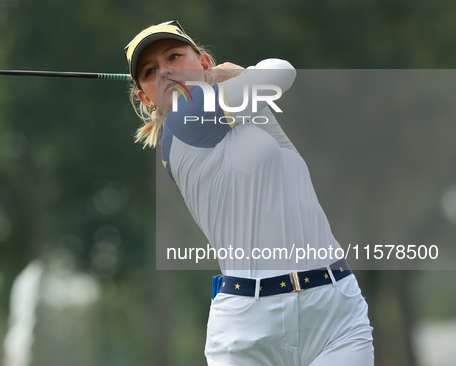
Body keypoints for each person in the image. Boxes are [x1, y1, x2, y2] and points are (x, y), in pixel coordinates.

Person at [124, 20, 374, 366]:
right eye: (151, 72)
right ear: (146, 97)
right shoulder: (183, 120)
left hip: (335, 314)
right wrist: (234, 75)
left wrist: (229, 80)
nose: (165, 72)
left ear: (204, 62)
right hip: (250, 330)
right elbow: (281, 72)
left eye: (174, 56)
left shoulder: (246, 114)